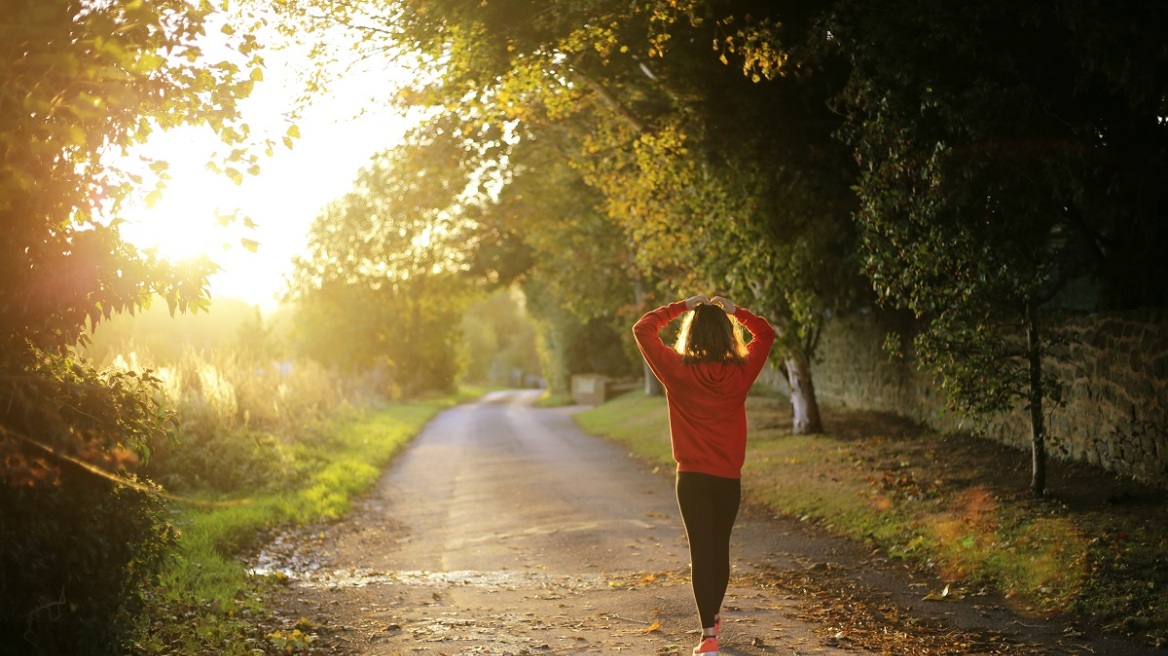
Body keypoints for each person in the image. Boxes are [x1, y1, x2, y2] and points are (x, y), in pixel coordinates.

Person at [632, 294, 776, 656]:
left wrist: (682, 306)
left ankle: (708, 635)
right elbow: (766, 334)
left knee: (701, 552)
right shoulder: (741, 371)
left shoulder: (676, 370)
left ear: (691, 334)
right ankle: (713, 616)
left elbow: (643, 328)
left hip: (692, 478)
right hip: (727, 478)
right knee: (719, 549)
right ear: (728, 336)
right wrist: (736, 311)